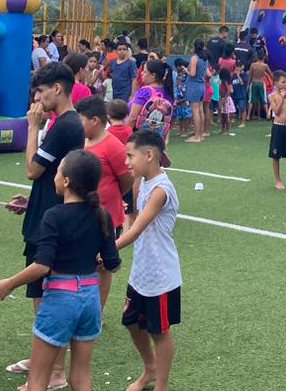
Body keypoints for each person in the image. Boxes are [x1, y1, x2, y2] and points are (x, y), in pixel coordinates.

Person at [0, 152, 119, 391]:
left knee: (38, 380)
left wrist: (9, 283)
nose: (55, 176)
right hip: (90, 299)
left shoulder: (53, 216)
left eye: (58, 171)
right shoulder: (102, 215)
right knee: (80, 377)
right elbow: (112, 263)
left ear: (66, 181)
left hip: (61, 298)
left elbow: (42, 265)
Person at [3, 62, 85, 387]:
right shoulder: (64, 123)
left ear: (57, 89)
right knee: (40, 295)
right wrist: (33, 200)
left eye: (39, 91)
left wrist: (32, 128)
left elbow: (32, 170)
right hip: (46, 213)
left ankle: (55, 371)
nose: (36, 99)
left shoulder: (65, 125)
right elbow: (51, 178)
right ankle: (44, 359)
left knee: (50, 299)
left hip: (53, 223)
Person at [116, 130, 182, 391]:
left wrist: (106, 250)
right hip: (141, 271)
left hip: (161, 275)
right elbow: (131, 219)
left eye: (130, 156)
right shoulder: (142, 181)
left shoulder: (161, 191)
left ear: (149, 155)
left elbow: (135, 231)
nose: (127, 162)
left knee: (159, 332)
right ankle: (150, 368)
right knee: (131, 322)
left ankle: (161, 385)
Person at [79, 94, 132, 307]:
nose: (79, 124)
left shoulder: (113, 145)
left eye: (81, 120)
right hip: (81, 214)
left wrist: (112, 197)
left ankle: (97, 311)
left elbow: (126, 179)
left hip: (106, 217)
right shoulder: (81, 141)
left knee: (102, 265)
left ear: (95, 120)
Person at [267, 73, 286, 190]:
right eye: (283, 82)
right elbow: (277, 111)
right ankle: (278, 180)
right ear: (276, 83)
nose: (285, 84)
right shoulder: (272, 96)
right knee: (276, 155)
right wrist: (282, 99)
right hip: (278, 127)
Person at [184, 40, 209, 143]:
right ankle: (201, 134)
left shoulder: (194, 58)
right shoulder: (205, 59)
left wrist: (186, 70)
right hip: (202, 85)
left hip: (194, 85)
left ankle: (197, 136)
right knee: (201, 110)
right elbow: (208, 74)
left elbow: (192, 74)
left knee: (195, 111)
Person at [172, 59, 192, 137]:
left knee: (185, 116)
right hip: (178, 97)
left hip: (185, 98)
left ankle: (185, 131)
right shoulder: (177, 77)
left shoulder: (186, 78)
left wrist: (183, 98)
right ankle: (181, 131)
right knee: (180, 116)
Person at [249, 56, 271, 121]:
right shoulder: (265, 66)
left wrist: (248, 84)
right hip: (261, 83)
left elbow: (250, 75)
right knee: (264, 100)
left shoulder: (253, 65)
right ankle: (267, 115)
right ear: (263, 58)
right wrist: (273, 81)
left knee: (251, 100)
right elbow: (270, 73)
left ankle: (248, 116)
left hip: (254, 82)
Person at [216, 67, 235, 135]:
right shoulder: (222, 82)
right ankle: (223, 129)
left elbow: (229, 90)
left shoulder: (225, 82)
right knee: (223, 116)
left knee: (227, 116)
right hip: (222, 98)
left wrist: (225, 98)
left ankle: (227, 130)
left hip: (226, 99)